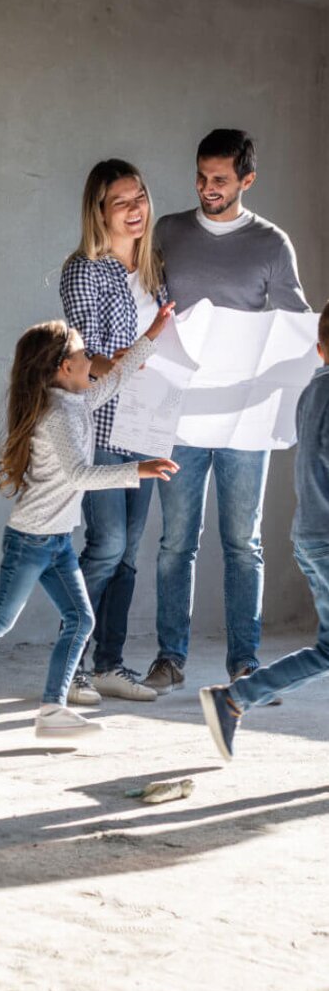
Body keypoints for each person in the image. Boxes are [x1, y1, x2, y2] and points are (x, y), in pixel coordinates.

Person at [0, 308, 178, 741]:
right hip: (31, 540)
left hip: (56, 540)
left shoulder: (75, 401)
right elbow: (78, 475)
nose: (91, 360)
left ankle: (52, 711)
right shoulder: (57, 415)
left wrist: (152, 334)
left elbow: (114, 381)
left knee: (80, 619)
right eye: (83, 353)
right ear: (65, 367)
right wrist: (138, 470)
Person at [143, 129, 310, 697]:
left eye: (220, 180)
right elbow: (147, 304)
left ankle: (244, 663)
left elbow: (295, 324)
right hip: (179, 414)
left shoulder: (270, 243)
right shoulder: (170, 231)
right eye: (200, 176)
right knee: (174, 543)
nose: (206, 189)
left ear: (247, 180)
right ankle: (170, 659)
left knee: (244, 544)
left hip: (245, 418)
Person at [199, 299, 329, 758]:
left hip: (311, 533)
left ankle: (235, 699)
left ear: (319, 348)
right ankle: (233, 698)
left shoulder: (313, 389)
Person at [60, 160, 169, 706]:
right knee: (106, 545)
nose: (135, 210)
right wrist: (133, 358)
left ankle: (109, 665)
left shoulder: (153, 271)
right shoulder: (85, 270)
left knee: (128, 554)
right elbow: (86, 359)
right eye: (122, 202)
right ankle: (70, 666)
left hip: (146, 424)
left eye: (140, 198)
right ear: (99, 211)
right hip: (102, 423)